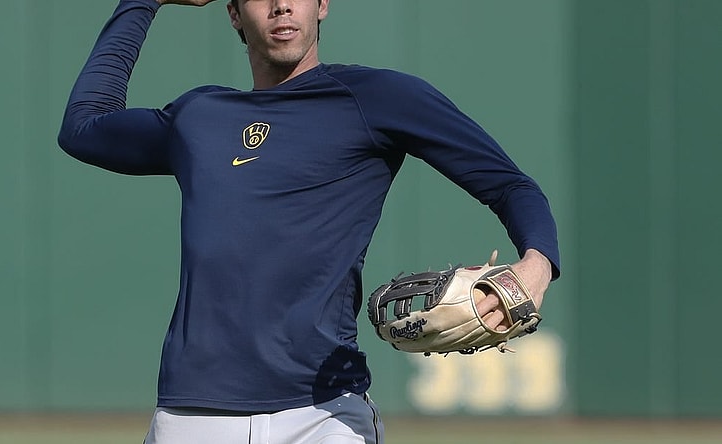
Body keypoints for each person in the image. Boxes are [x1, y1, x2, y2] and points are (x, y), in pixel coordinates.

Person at [58, 0, 560, 442]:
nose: (281, 5)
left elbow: (510, 186)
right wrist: (143, 1)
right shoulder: (200, 116)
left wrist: (535, 268)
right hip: (194, 413)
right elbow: (83, 127)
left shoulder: (376, 97)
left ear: (322, 4)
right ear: (233, 13)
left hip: (324, 414)